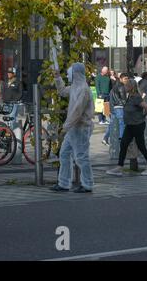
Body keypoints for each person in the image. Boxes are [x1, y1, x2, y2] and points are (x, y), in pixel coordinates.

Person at [50, 62, 95, 193]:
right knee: (64, 154)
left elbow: (77, 111)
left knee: (81, 157)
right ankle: (64, 183)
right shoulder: (76, 87)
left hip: (81, 128)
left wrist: (65, 127)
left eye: (69, 73)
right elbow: (63, 92)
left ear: (75, 74)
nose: (68, 75)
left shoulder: (83, 90)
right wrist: (58, 78)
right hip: (74, 128)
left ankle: (87, 184)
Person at [106, 80, 147, 176]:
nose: (124, 87)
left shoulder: (136, 97)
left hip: (137, 125)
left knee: (141, 146)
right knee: (124, 144)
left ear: (131, 87)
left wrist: (141, 117)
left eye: (126, 86)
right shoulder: (129, 96)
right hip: (130, 125)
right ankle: (119, 167)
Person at [102, 73, 129, 146]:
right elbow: (123, 100)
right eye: (125, 79)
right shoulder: (122, 87)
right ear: (120, 79)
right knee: (122, 123)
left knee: (112, 124)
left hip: (113, 108)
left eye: (127, 79)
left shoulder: (114, 87)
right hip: (119, 107)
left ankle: (105, 138)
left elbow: (111, 99)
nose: (126, 80)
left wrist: (110, 109)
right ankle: (121, 139)